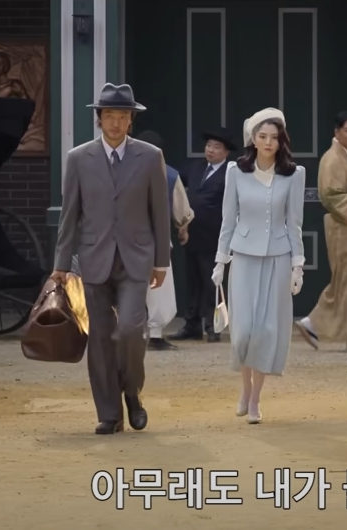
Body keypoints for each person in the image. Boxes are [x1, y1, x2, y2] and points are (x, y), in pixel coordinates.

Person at [49, 83, 171, 435]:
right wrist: (61, 264)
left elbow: (159, 212)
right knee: (100, 337)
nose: (115, 123)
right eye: (109, 116)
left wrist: (161, 261)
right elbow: (70, 214)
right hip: (94, 257)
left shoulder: (150, 156)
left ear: (131, 120)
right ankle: (109, 413)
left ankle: (132, 391)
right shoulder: (78, 158)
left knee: (130, 328)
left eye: (122, 116)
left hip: (137, 258)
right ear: (99, 119)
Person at [211, 108, 307, 425]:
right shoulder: (235, 172)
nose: (268, 142)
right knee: (243, 332)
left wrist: (297, 265)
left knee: (266, 331)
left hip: (278, 258)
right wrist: (220, 261)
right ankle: (245, 388)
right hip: (243, 257)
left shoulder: (294, 174)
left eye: (274, 137)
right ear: (252, 139)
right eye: (262, 136)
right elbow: (228, 220)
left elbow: (294, 223)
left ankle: (255, 399)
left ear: (281, 141)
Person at [295, 111, 347, 350]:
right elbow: (330, 198)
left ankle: (329, 328)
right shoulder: (332, 159)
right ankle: (323, 326)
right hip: (341, 225)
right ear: (337, 131)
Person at [170, 127, 237, 343]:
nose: (210, 150)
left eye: (216, 147)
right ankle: (192, 325)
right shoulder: (195, 167)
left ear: (226, 152)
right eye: (209, 146)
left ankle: (213, 325)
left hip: (215, 234)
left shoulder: (231, 173)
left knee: (212, 281)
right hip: (192, 233)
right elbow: (177, 184)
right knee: (192, 280)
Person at [135, 130, 195, 351]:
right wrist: (183, 227)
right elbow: (182, 211)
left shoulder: (119, 171)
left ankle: (129, 334)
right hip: (156, 242)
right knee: (158, 291)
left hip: (125, 242)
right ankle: (154, 335)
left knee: (129, 287)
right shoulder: (169, 175)